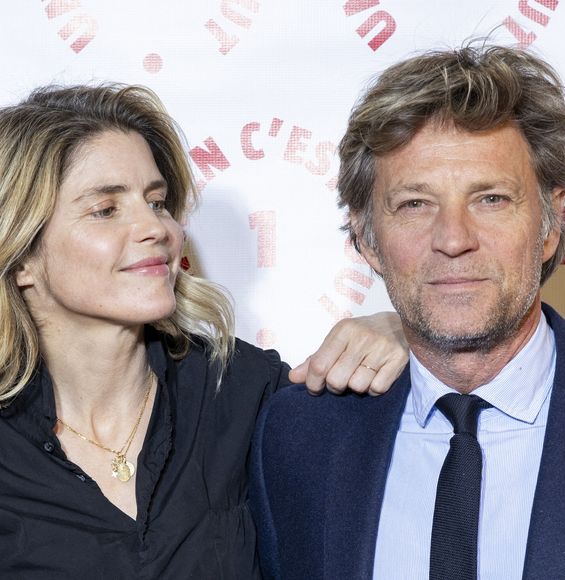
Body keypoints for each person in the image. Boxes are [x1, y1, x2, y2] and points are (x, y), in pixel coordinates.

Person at [0, 83, 408, 578]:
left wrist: (404, 330)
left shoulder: (245, 392)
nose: (158, 229)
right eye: (106, 209)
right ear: (22, 256)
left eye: (156, 202)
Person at [250, 44, 565, 580]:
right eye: (415, 204)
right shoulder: (300, 438)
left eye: (490, 199)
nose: (453, 239)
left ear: (549, 227)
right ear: (367, 240)